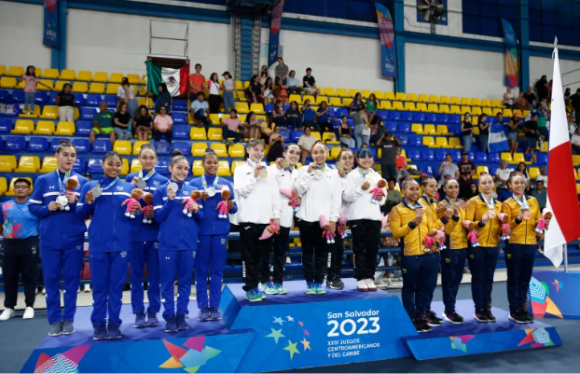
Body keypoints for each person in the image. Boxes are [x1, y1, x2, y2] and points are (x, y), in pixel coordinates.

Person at [77, 151, 139, 340]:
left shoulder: (128, 187)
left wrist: (137, 210)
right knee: (100, 287)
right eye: (110, 164)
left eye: (118, 164)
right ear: (103, 165)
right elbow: (80, 212)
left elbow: (138, 213)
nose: (114, 167)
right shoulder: (93, 187)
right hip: (98, 244)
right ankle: (98, 324)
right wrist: (87, 203)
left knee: (116, 287)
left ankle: (113, 323)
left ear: (122, 167)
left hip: (121, 244)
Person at [28, 141, 88, 334]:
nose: (69, 158)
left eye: (73, 155)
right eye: (66, 155)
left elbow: (90, 208)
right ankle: (54, 320)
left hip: (74, 239)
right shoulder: (43, 180)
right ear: (57, 156)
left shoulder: (83, 181)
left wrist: (78, 202)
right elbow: (32, 207)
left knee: (72, 283)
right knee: (51, 282)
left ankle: (69, 319)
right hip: (50, 240)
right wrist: (48, 208)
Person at [153, 151, 203, 332]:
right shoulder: (160, 191)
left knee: (184, 282)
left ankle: (181, 314)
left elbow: (201, 217)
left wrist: (197, 209)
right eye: (179, 168)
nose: (182, 171)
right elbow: (157, 217)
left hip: (189, 244)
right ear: (170, 168)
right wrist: (170, 202)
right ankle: (169, 316)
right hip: (168, 244)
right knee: (166, 283)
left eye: (186, 169)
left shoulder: (192, 192)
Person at [389, 178, 440, 333]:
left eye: (417, 189)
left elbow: (433, 228)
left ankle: (420, 317)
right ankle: (410, 318)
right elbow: (396, 233)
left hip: (427, 255)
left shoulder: (425, 209)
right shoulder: (397, 210)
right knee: (410, 288)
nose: (415, 192)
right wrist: (413, 223)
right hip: (410, 255)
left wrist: (435, 242)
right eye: (411, 189)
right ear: (403, 191)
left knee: (425, 288)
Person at [190, 151, 237, 320]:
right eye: (208, 162)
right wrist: (196, 201)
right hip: (200, 232)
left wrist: (231, 205)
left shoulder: (226, 184)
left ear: (218, 164)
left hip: (220, 232)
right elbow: (188, 208)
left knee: (217, 271)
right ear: (203, 164)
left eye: (215, 163)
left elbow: (235, 208)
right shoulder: (194, 184)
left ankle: (215, 306)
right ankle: (203, 307)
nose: (212, 165)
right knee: (201, 271)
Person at [125, 145, 168, 328]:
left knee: (155, 277)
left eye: (151, 157)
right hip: (135, 234)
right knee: (135, 276)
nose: (148, 161)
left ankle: (153, 310)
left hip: (155, 235)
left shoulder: (164, 181)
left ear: (156, 159)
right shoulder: (130, 179)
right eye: (145, 157)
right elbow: (124, 204)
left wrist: (155, 214)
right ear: (139, 159)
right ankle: (138, 312)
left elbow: (165, 209)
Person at [234, 139, 281, 301]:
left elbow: (275, 196)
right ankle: (250, 287)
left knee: (264, 255)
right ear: (248, 150)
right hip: (248, 219)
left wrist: (276, 217)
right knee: (249, 256)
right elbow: (242, 191)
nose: (259, 153)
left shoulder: (269, 171)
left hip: (266, 221)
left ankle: (262, 283)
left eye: (261, 150)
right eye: (255, 149)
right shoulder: (240, 170)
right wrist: (253, 176)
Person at [295, 142, 341, 295]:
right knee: (307, 252)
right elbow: (298, 190)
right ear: (311, 154)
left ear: (327, 153)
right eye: (315, 152)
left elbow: (336, 199)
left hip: (324, 222)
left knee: (322, 252)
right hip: (306, 218)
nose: (319, 155)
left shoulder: (333, 173)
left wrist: (333, 219)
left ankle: (319, 282)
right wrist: (308, 173)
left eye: (321, 152)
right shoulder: (303, 169)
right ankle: (309, 282)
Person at [502, 173, 544, 324]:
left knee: (525, 278)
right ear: (510, 186)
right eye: (516, 183)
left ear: (526, 184)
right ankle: (514, 310)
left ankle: (523, 308)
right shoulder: (507, 204)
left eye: (522, 182)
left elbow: (537, 220)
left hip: (530, 243)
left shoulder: (533, 201)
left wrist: (542, 223)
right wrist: (518, 219)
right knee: (514, 277)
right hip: (514, 243)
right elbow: (505, 227)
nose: (519, 185)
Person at [344, 148, 385, 291]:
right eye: (363, 157)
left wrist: (381, 198)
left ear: (373, 160)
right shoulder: (352, 176)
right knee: (359, 249)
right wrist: (361, 189)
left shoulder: (378, 176)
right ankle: (361, 277)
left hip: (374, 217)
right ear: (357, 160)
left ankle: (370, 277)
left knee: (373, 249)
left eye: (369, 157)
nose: (366, 159)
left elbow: (383, 198)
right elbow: (347, 197)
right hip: (357, 218)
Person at [465, 173, 504, 323]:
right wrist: (482, 221)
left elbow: (500, 227)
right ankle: (479, 309)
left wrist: (502, 232)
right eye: (484, 183)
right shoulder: (473, 202)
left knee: (489, 278)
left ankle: (487, 307)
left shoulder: (499, 204)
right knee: (478, 277)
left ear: (493, 184)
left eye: (489, 182)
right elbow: (467, 224)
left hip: (493, 245)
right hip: (477, 246)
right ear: (479, 186)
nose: (487, 185)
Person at [263, 145, 301, 294]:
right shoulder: (272, 169)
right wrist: (279, 170)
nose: (294, 155)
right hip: (270, 217)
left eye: (297, 153)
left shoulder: (298, 173)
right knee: (265, 251)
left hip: (286, 218)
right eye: (291, 152)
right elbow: (269, 190)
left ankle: (278, 281)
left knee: (281, 253)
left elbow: (299, 193)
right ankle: (264, 281)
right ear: (284, 153)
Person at [0, 178, 39, 322]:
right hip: (9, 244)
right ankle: (9, 307)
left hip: (29, 243)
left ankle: (29, 306)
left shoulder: (34, 206)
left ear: (29, 190)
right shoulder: (4, 206)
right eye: (17, 187)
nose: (20, 189)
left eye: (23, 187)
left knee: (29, 276)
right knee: (9, 277)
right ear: (13, 189)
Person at [418, 175, 454, 327]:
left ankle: (427, 310)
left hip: (434, 248)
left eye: (435, 186)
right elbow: (424, 229)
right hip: (424, 249)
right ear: (423, 187)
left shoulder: (434, 204)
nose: (434, 189)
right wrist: (432, 242)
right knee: (423, 284)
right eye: (431, 186)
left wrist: (445, 222)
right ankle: (420, 314)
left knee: (431, 284)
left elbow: (436, 225)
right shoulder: (420, 204)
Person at [437, 178, 467, 324]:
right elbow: (442, 227)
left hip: (463, 246)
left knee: (457, 279)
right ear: (444, 189)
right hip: (449, 247)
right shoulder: (441, 206)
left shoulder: (463, 204)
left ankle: (450, 308)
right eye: (450, 187)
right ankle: (450, 310)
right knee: (449, 279)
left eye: (456, 187)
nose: (454, 190)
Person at [328, 148, 355, 289]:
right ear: (338, 161)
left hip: (343, 222)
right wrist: (333, 217)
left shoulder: (353, 177)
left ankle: (335, 276)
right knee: (331, 250)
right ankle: (330, 277)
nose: (348, 160)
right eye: (344, 158)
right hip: (331, 219)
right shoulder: (332, 174)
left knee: (339, 250)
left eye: (350, 157)